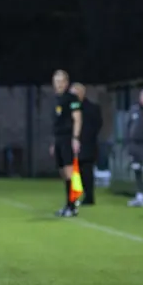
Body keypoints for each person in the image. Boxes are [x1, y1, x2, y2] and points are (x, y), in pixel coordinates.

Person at [49, 70, 82, 216]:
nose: (59, 84)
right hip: (58, 139)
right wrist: (53, 142)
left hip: (68, 137)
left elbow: (77, 118)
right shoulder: (56, 98)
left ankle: (72, 206)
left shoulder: (71, 98)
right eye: (56, 81)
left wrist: (75, 138)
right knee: (63, 172)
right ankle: (69, 204)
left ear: (67, 82)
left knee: (69, 171)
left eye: (61, 81)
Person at [69, 83, 102, 205]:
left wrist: (83, 138)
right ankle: (77, 195)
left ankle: (89, 197)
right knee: (75, 172)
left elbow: (97, 125)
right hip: (73, 144)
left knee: (86, 171)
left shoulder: (92, 108)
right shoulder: (70, 107)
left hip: (88, 145)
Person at [126, 88, 143, 207]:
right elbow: (128, 126)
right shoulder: (134, 109)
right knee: (137, 169)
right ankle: (140, 195)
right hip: (134, 145)